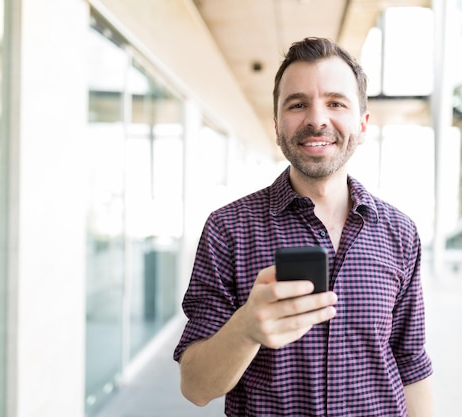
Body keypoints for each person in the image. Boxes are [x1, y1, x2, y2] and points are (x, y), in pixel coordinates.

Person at [173, 37, 433, 416]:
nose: (316, 119)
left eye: (335, 103)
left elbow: (410, 364)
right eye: (298, 104)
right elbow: (195, 388)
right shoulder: (228, 229)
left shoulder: (400, 233)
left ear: (362, 124)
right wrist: (245, 330)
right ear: (277, 125)